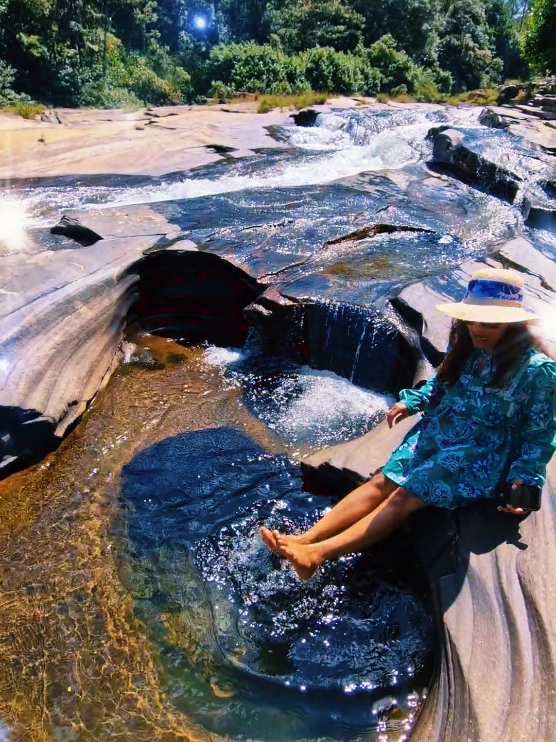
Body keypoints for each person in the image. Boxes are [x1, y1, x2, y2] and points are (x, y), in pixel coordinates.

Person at [260, 268, 556, 581]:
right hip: (439, 434)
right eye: (471, 320)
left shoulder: (538, 371)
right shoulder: (468, 347)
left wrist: (524, 482)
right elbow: (441, 384)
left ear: (512, 324)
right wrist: (412, 401)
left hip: (480, 454)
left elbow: (540, 434)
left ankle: (316, 555)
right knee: (382, 481)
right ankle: (306, 539)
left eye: (488, 323)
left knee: (404, 496)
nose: (476, 329)